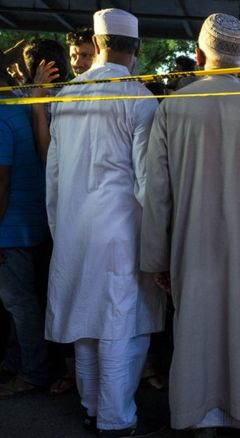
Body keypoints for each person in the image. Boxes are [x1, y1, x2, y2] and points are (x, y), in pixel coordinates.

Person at [140, 13, 240, 437]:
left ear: (198, 52)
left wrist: (157, 255)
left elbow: (158, 193)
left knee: (198, 330)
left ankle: (200, 418)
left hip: (193, 246)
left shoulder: (174, 108)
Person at [45, 8, 165, 436]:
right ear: (137, 49)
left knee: (86, 324)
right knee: (119, 325)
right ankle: (117, 419)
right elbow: (147, 181)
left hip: (75, 226)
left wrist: (61, 229)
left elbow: (54, 174)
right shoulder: (139, 97)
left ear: (96, 45)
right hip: (121, 230)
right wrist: (159, 240)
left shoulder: (63, 96)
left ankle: (93, 406)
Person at [0, 51, 50, 399]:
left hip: (9, 226)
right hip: (31, 222)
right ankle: (17, 362)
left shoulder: (3, 115)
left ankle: (32, 373)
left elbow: (0, 181)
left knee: (19, 303)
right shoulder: (19, 108)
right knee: (21, 302)